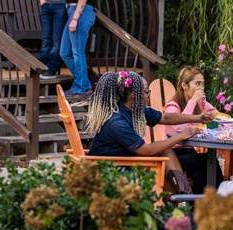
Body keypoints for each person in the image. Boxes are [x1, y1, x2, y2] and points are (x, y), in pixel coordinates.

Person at [87, 71, 216, 193]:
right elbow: (148, 151)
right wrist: (182, 135)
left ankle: (181, 196)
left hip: (124, 161)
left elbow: (166, 117)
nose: (149, 95)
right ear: (133, 94)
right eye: (146, 92)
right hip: (111, 170)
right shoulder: (116, 122)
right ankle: (183, 196)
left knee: (165, 156)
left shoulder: (135, 111)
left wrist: (198, 118)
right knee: (164, 159)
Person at [163, 65, 223, 192]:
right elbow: (180, 127)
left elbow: (219, 117)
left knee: (200, 175)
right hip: (175, 156)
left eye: (202, 84)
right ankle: (221, 197)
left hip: (192, 152)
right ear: (184, 85)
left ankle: (195, 210)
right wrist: (194, 101)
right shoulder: (173, 106)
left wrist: (215, 116)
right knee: (209, 159)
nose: (201, 88)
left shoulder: (201, 104)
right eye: (197, 84)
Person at [59, 0, 96, 99]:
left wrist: (75, 19)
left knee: (77, 52)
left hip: (81, 12)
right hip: (72, 11)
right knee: (64, 52)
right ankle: (86, 84)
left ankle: (80, 88)